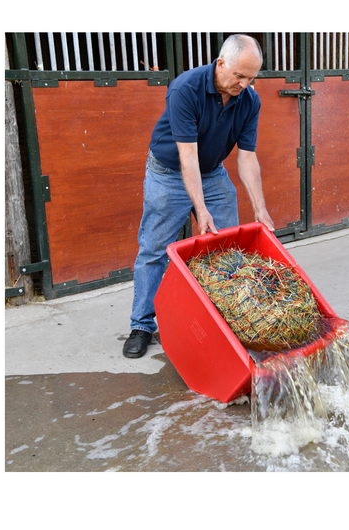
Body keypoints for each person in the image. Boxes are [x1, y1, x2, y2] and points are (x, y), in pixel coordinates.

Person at [123, 34, 274, 359]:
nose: (245, 84)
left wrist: (260, 209)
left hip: (212, 171)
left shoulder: (250, 100)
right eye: (239, 76)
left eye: (251, 78)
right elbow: (186, 158)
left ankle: (224, 320)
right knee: (154, 249)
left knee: (228, 247)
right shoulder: (185, 89)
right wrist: (201, 209)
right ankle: (142, 325)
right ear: (221, 64)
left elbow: (247, 157)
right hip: (169, 172)